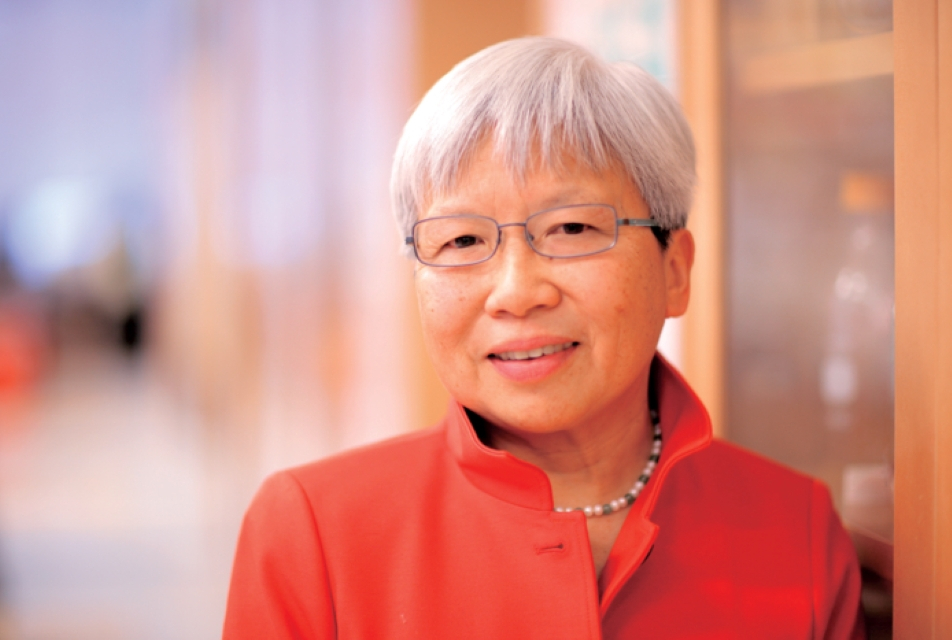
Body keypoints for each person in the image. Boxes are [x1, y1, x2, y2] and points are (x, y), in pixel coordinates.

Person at [223, 37, 865, 639]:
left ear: (675, 271)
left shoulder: (795, 530)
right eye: (462, 241)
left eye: (572, 230)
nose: (517, 290)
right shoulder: (312, 532)